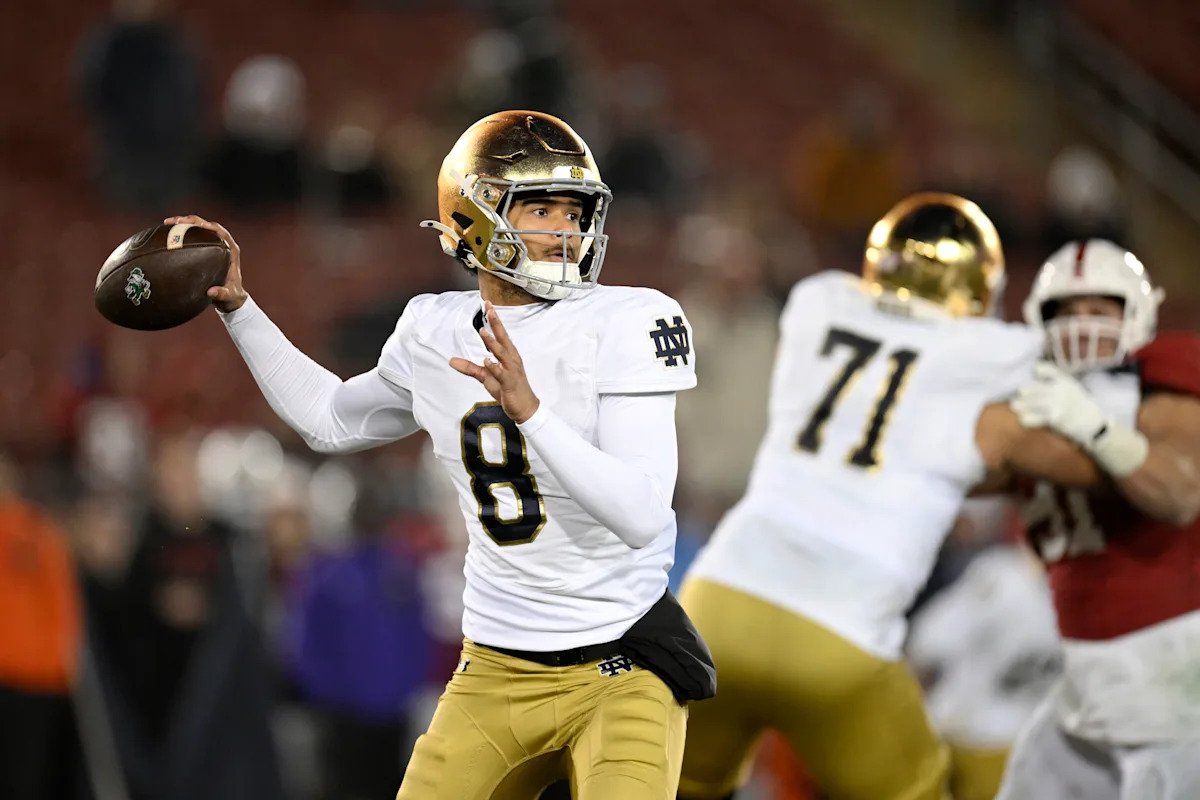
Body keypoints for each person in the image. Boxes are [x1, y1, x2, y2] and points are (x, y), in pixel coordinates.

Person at [167, 109, 713, 799]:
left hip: (622, 663)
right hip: (496, 668)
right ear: (473, 218)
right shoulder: (434, 329)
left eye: (575, 213)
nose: (565, 232)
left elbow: (641, 515)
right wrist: (240, 310)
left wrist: (532, 414)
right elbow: (330, 420)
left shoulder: (630, 319)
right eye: (541, 209)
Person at [675, 192, 1106, 800]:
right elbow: (1062, 428)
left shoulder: (818, 301)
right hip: (841, 628)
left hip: (718, 602)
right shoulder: (993, 353)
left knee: (676, 786)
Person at [996, 239, 1200, 800]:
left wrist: (1098, 428)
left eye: (1099, 309)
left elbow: (1182, 493)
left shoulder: (1164, 377)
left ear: (1137, 313)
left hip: (1174, 675)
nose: (1082, 324)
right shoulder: (1030, 398)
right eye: (1067, 311)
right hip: (1087, 684)